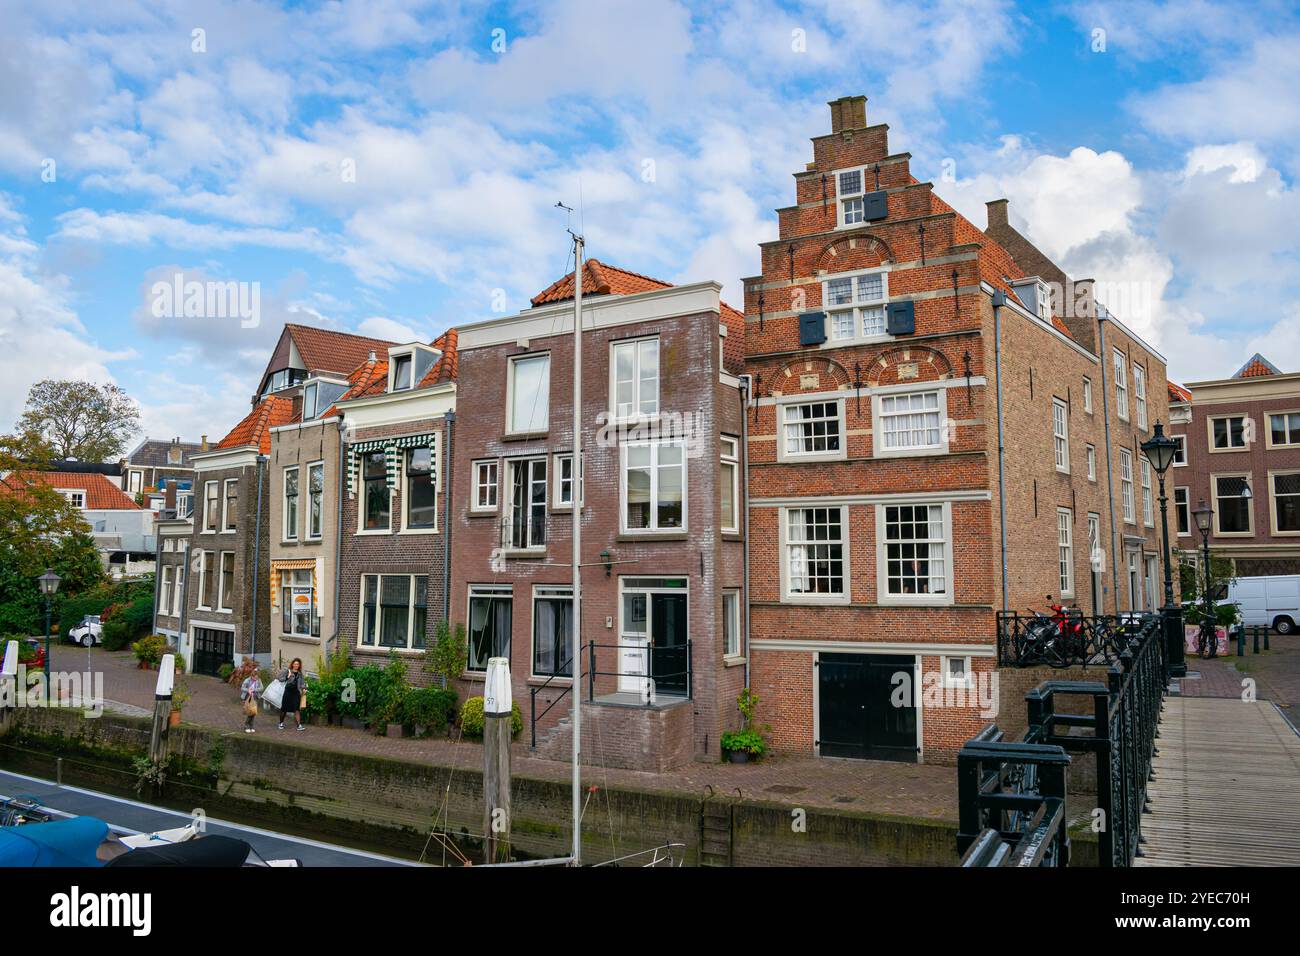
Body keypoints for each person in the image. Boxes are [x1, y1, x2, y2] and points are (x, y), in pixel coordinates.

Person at [278, 657, 306, 731]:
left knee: (296, 709)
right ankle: (281, 723)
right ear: (292, 664)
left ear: (299, 665)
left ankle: (299, 725)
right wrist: (287, 677)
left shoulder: (300, 674)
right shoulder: (288, 671)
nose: (296, 665)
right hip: (288, 692)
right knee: (284, 708)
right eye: (295, 664)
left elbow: (302, 683)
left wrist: (304, 688)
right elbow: (280, 679)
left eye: (298, 664)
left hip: (296, 693)